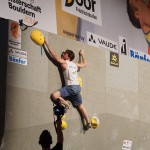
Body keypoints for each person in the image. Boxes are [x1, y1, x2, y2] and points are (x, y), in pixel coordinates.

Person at [44, 38, 91, 130]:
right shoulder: (74, 64)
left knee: (54, 96)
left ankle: (66, 105)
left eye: (64, 53)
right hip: (77, 88)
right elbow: (85, 64)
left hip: (70, 87)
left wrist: (46, 43)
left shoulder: (64, 62)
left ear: (68, 57)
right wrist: (82, 54)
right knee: (80, 106)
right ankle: (88, 123)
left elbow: (53, 55)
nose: (62, 54)